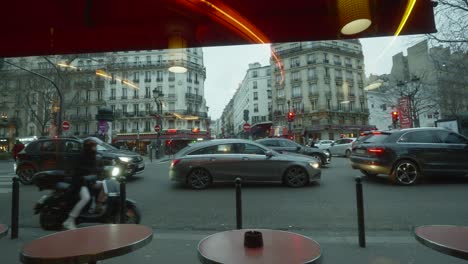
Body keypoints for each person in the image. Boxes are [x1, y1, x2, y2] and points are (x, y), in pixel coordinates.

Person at [62, 139, 98, 230]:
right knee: (85, 198)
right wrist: (88, 173)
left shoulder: (92, 156)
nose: (95, 147)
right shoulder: (81, 156)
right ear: (88, 147)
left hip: (88, 181)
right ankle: (69, 220)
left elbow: (95, 168)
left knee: (104, 185)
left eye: (95, 146)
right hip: (80, 182)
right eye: (93, 146)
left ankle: (97, 207)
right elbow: (79, 170)